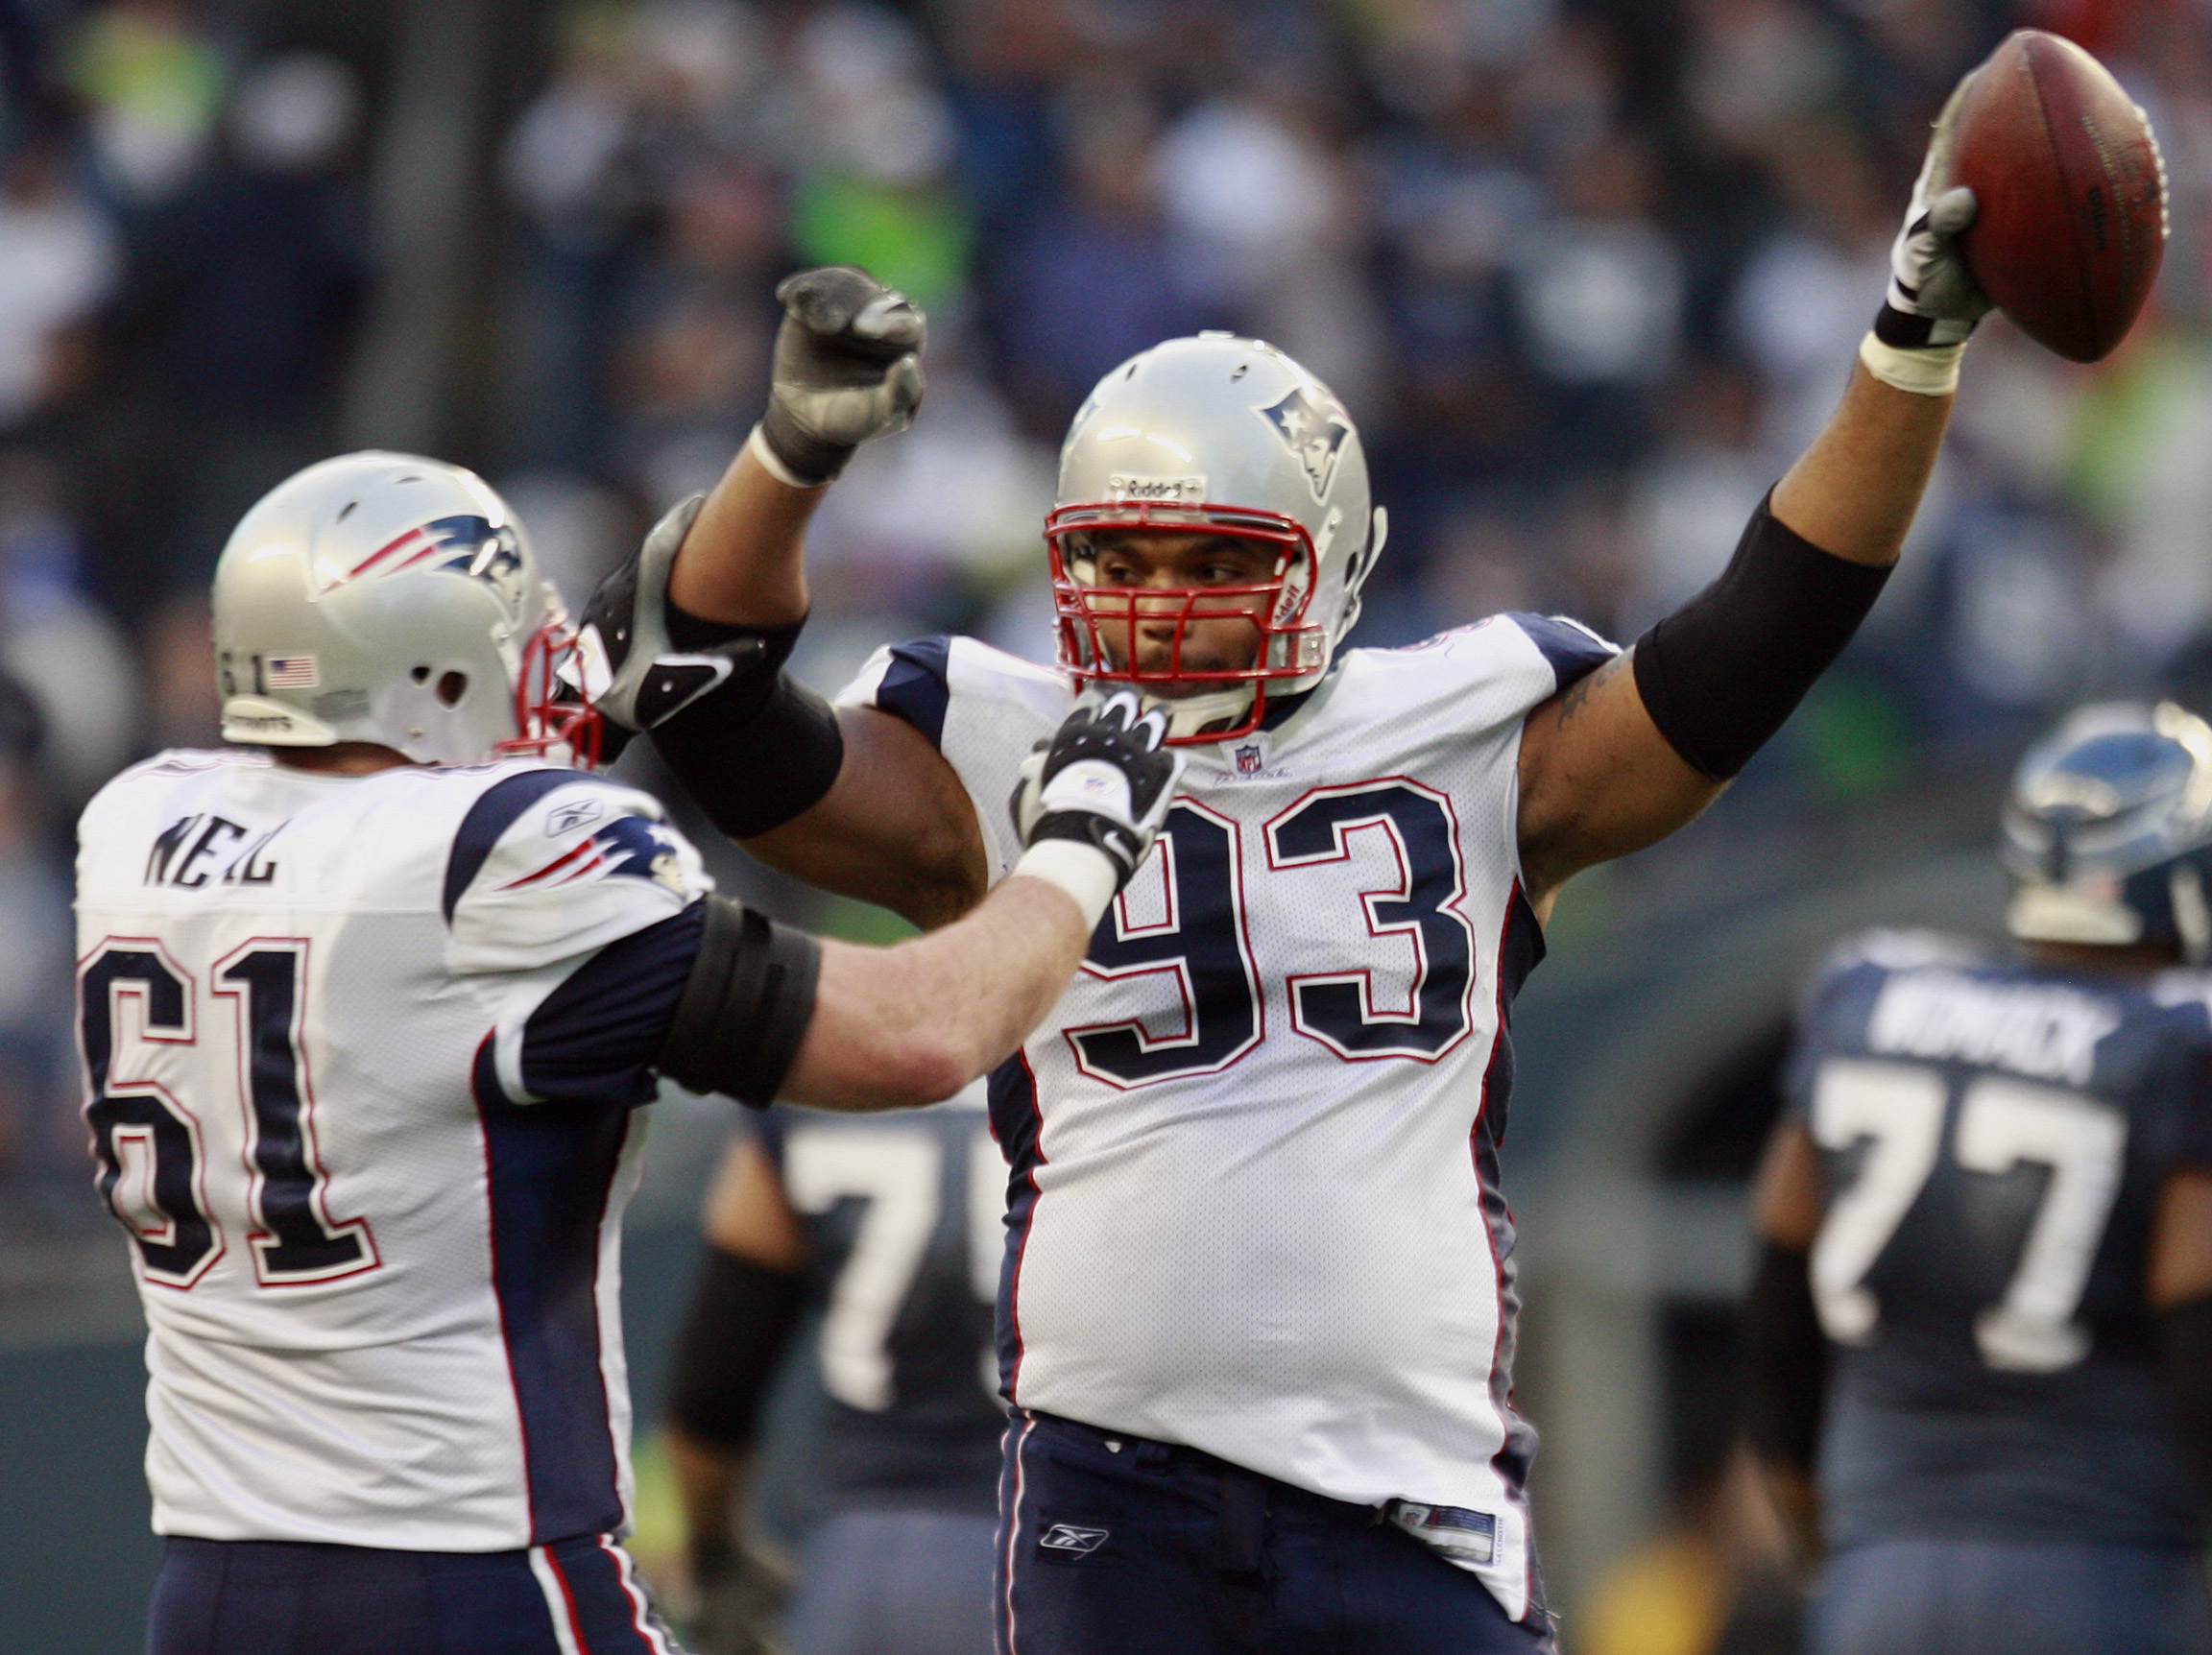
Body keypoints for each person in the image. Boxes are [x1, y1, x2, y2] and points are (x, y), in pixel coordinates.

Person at [584, 70, 2026, 1654]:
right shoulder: (989, 736)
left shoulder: (1471, 720)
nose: (1159, 602)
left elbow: (1764, 626)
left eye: (1214, 561)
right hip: (1103, 1472)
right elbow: (711, 697)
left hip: (1404, 1478)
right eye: (1118, 561)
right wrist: (789, 454)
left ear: (1331, 562)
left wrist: (1906, 346)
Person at [74, 449, 1181, 1655]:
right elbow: (920, 1033)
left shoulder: (139, 823)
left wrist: (777, 463)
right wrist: (1081, 840)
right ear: (436, 671)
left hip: (208, 1586)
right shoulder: (508, 856)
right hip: (471, 1575)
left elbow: (387, 853)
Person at [1742, 701, 2212, 1655]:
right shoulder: (2176, 1045)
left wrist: (1824, 1537)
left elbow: (1779, 1308)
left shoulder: (1866, 996)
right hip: (2106, 1574)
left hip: (1877, 1577)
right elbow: (2197, 1333)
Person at [662, 1085, 1005, 1655]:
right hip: (1079, 1546)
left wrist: (715, 1551)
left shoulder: (826, 1082)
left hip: (869, 1566)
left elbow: (713, 1392)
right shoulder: (1127, 1081)